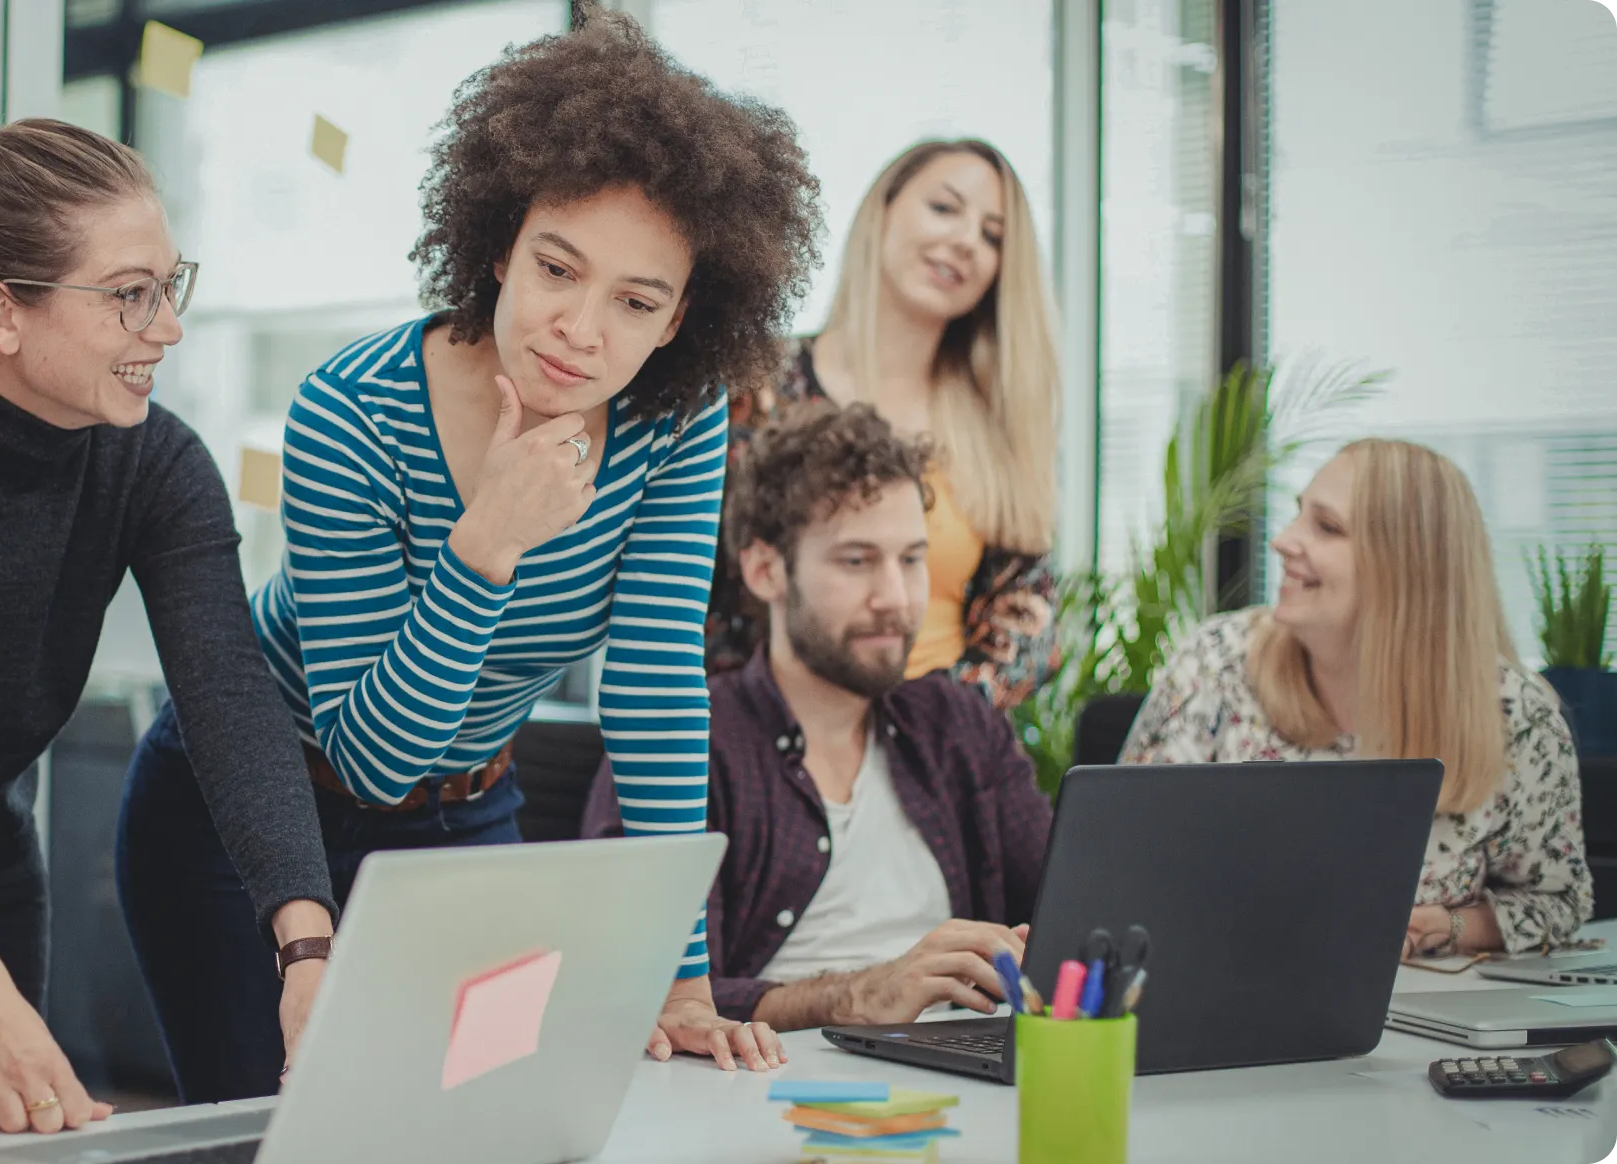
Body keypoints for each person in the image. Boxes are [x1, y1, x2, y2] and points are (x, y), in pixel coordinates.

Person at [116, 9, 823, 1101]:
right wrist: (485, 543)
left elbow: (650, 690)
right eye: (557, 267)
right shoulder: (349, 414)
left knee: (468, 1120)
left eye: (636, 302)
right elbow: (371, 758)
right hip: (251, 817)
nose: (581, 329)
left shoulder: (675, 424)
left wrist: (682, 976)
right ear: (498, 245)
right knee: (284, 1134)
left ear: (683, 319)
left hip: (468, 807)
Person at [0, 111, 338, 1134]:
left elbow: (227, 696)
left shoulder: (157, 463)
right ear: (1, 312)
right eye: (129, 296)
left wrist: (306, 948)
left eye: (170, 287)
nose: (167, 327)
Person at [585, 400, 1049, 1028]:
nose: (895, 598)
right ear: (765, 568)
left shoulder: (958, 727)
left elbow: (1067, 915)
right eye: (857, 561)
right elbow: (636, 992)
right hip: (758, 1090)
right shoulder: (679, 742)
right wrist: (859, 996)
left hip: (968, 1076)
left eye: (912, 559)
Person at [1122, 439, 1592, 956]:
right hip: (1211, 993)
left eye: (1326, 527)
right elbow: (1121, 862)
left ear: (1407, 567)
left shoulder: (1514, 716)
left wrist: (1444, 927)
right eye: (1298, 515)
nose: (1281, 541)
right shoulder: (1214, 662)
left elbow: (1559, 902)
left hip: (1423, 1014)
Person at [704, 140, 1062, 711]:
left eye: (994, 235)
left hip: (940, 754)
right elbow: (700, 591)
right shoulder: (759, 385)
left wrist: (929, 722)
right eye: (945, 208)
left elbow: (1031, 621)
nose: (967, 240)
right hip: (767, 749)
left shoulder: (995, 423)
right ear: (884, 209)